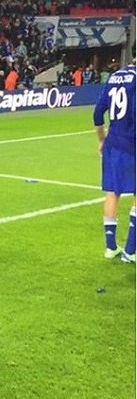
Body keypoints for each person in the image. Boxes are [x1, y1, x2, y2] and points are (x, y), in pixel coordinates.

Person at [93, 59, 136, 263]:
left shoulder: (115, 76)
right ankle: (130, 250)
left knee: (112, 192)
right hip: (131, 142)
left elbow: (97, 113)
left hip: (113, 143)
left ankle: (111, 247)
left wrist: (101, 140)